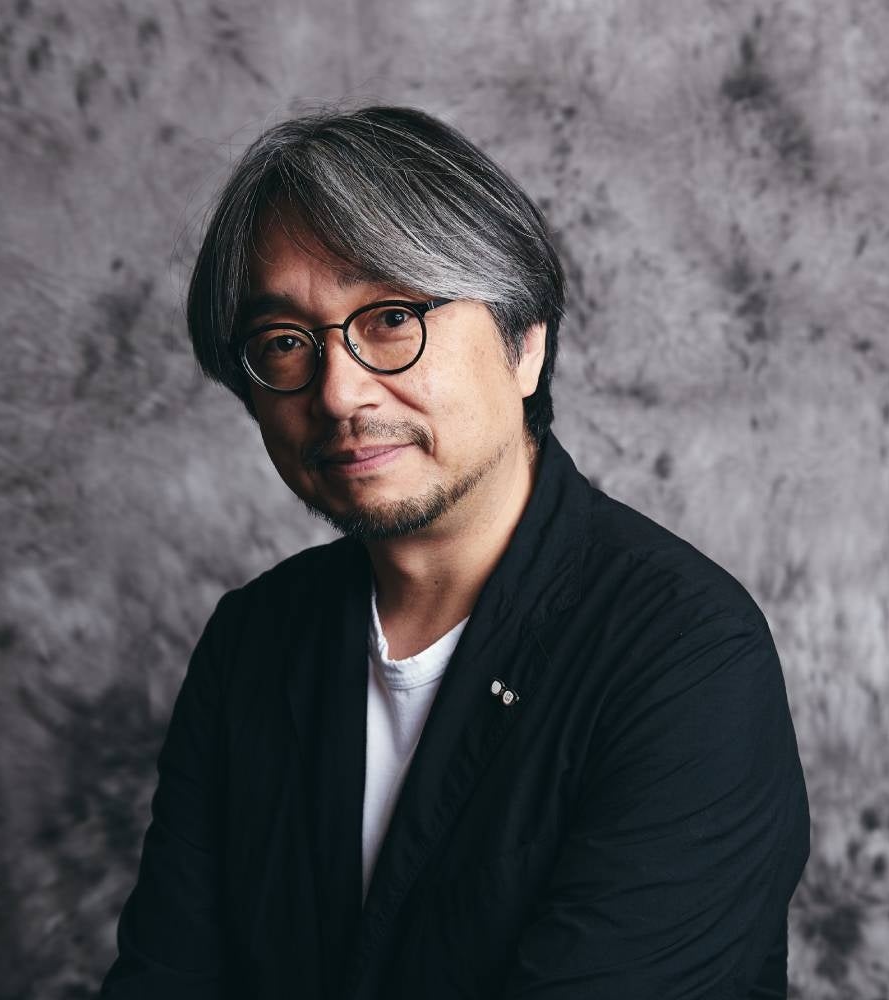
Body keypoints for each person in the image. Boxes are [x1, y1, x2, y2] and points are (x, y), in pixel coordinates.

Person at [101, 105, 810, 999]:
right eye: (284, 342)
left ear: (525, 343)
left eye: (393, 317)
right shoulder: (254, 640)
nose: (340, 393)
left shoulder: (686, 655)